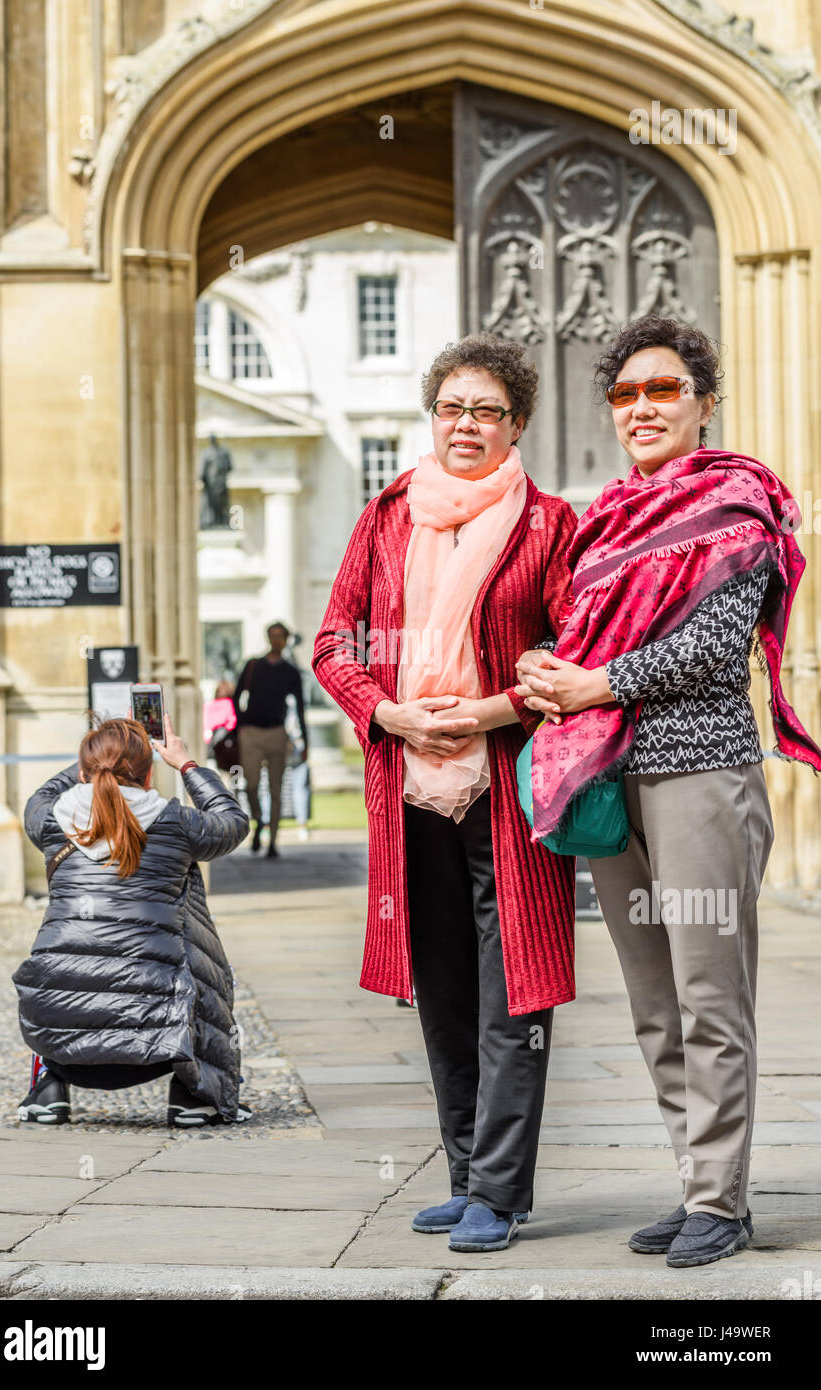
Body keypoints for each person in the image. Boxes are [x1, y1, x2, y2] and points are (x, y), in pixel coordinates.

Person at [515, 315, 821, 1268]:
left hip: (697, 774)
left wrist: (593, 684)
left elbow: (710, 648)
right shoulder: (605, 518)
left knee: (708, 993)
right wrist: (545, 665)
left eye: (662, 390)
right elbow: (583, 635)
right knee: (652, 1000)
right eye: (625, 394)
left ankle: (721, 1205)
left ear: (702, 402)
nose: (641, 408)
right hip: (609, 780)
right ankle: (697, 1184)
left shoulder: (736, 505)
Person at [312, 331, 578, 1252]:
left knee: (515, 990)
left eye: (487, 411)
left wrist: (494, 708)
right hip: (408, 786)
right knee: (442, 985)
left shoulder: (548, 524)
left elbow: (572, 657)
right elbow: (333, 642)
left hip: (505, 790)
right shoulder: (386, 515)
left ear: (517, 424)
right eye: (452, 408)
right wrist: (388, 714)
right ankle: (464, 1174)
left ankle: (501, 1193)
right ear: (433, 416)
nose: (466, 425)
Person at [14, 713, 252, 1128]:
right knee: (188, 953)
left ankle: (48, 1089)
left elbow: (41, 795)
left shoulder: (51, 821)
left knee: (55, 959)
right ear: (147, 777)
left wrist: (95, 757)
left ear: (84, 774)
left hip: (62, 1039)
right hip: (159, 1047)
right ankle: (193, 1094)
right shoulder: (177, 822)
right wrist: (185, 764)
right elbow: (232, 821)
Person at [234, 622, 307, 858]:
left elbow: (301, 707)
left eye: (281, 637)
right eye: (273, 636)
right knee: (251, 785)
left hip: (277, 732)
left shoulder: (290, 672)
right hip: (252, 732)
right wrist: (242, 724)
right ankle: (258, 821)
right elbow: (236, 697)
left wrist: (305, 741)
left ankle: (273, 841)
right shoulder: (254, 665)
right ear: (268, 638)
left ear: (286, 640)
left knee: (276, 789)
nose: (276, 641)